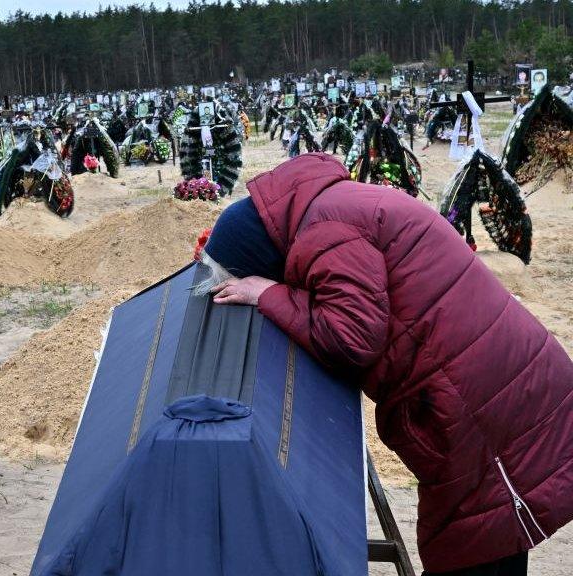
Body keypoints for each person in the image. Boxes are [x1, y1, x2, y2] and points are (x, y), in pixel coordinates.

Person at [196, 153, 573, 576]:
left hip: (483, 406)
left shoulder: (324, 232)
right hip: (496, 380)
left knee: (482, 536)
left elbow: (353, 336)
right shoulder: (331, 205)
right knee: (487, 538)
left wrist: (267, 294)